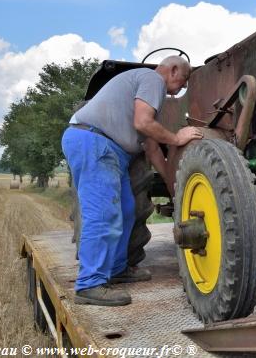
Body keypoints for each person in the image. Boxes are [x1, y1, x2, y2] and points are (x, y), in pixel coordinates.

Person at [62, 55, 203, 306]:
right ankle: (90, 284)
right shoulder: (151, 79)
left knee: (127, 210)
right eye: (184, 80)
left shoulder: (149, 95)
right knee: (103, 214)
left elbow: (151, 147)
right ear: (172, 70)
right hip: (94, 142)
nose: (182, 88)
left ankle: (117, 268)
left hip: (111, 150)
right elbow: (143, 122)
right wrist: (176, 138)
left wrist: (175, 188)